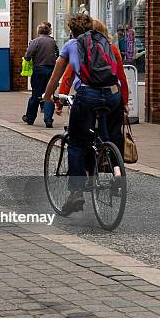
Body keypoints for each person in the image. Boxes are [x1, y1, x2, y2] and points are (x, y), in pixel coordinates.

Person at [43, 14, 123, 215]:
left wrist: (46, 97)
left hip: (88, 94)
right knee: (105, 136)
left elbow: (56, 76)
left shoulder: (71, 45)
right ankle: (115, 171)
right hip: (114, 94)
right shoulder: (104, 42)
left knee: (76, 143)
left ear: (71, 30)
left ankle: (76, 191)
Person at [22, 22, 59, 128]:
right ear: (48, 31)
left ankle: (30, 118)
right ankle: (48, 120)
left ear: (39, 31)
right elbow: (57, 54)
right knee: (49, 95)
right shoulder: (53, 42)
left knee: (36, 95)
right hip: (51, 70)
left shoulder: (35, 42)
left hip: (39, 70)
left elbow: (28, 56)